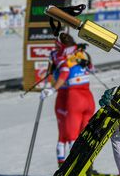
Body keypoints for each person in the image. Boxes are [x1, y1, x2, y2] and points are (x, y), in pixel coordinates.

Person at [40, 33, 95, 167]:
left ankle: (74, 169)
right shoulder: (80, 52)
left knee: (69, 137)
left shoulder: (59, 55)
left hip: (73, 98)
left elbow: (64, 72)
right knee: (84, 136)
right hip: (87, 96)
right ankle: (86, 168)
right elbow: (92, 69)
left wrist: (51, 89)